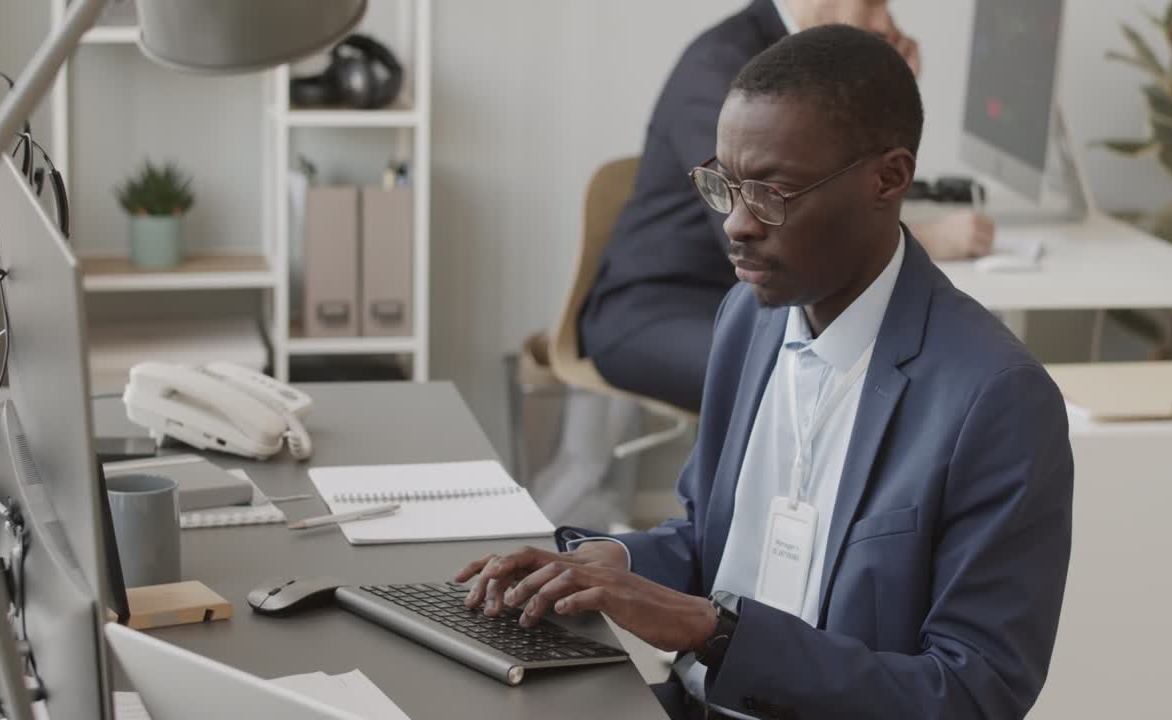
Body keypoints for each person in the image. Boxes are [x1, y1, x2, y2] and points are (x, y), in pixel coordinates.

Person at [459, 25, 1071, 720]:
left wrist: (713, 632)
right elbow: (708, 538)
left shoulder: (995, 399)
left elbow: (972, 695)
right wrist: (605, 566)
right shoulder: (746, 321)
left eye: (774, 192)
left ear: (889, 179)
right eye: (723, 184)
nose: (736, 226)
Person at [580, 0, 995, 413]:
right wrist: (935, 237)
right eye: (870, 3)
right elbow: (758, 216)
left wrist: (883, 93)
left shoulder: (818, 70)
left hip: (760, 295)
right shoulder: (722, 67)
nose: (885, 22)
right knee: (833, 377)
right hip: (658, 311)